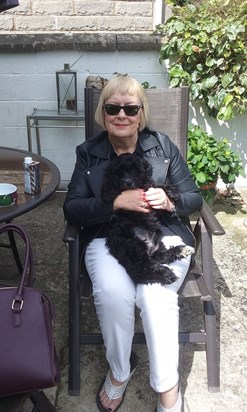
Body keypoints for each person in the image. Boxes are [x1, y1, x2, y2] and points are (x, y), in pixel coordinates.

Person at [63, 75, 203, 412]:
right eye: (113, 107)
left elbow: (194, 197)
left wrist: (171, 203)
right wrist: (113, 203)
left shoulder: (163, 146)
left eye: (130, 108)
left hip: (162, 233)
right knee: (112, 293)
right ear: (103, 113)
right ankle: (121, 370)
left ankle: (167, 388)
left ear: (141, 113)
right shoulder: (89, 154)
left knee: (155, 296)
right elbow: (72, 207)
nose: (121, 115)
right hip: (107, 236)